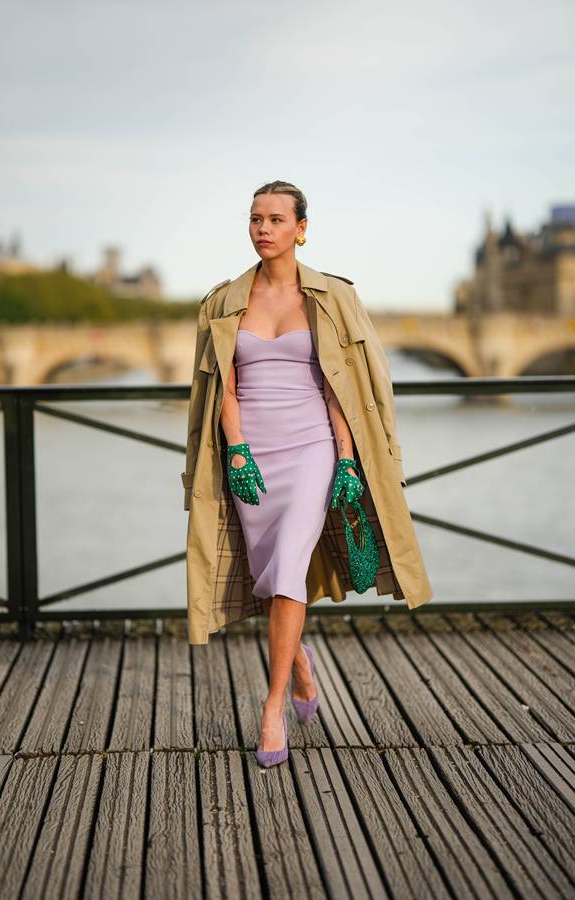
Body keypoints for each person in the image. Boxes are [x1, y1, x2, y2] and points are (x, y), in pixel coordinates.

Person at [218, 180, 366, 767]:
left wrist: (348, 456)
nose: (263, 228)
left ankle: (273, 705)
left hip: (311, 447)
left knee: (288, 577)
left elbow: (341, 385)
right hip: (253, 451)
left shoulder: (327, 298)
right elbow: (223, 384)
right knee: (267, 577)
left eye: (277, 219)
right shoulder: (226, 300)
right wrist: (235, 450)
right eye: (256, 218)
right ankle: (299, 662)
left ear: (301, 228)